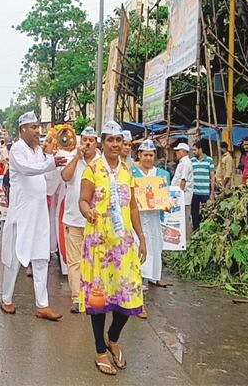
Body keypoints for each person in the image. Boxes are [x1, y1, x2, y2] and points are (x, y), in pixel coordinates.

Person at [78, 121, 147, 376]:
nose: (115, 145)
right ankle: (99, 350)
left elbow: (133, 207)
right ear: (102, 142)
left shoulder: (128, 172)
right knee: (99, 299)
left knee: (128, 297)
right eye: (110, 140)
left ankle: (113, 337)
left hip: (123, 245)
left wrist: (142, 237)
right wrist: (89, 212)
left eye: (119, 140)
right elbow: (83, 201)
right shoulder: (92, 170)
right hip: (99, 243)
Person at [0, 111, 66, 321]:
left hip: (39, 213)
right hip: (22, 213)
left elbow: (47, 176)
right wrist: (50, 163)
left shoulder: (39, 151)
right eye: (33, 127)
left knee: (40, 257)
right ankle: (6, 299)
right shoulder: (17, 150)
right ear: (22, 130)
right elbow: (28, 170)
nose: (38, 131)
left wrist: (56, 165)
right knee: (15, 257)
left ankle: (42, 305)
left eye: (38, 127)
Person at [60, 126, 99, 314]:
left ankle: (93, 296)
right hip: (73, 219)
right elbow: (65, 177)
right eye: (85, 140)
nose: (88, 144)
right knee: (74, 262)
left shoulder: (102, 163)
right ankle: (77, 298)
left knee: (94, 260)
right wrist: (77, 158)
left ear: (97, 143)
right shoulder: (72, 159)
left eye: (91, 140)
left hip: (94, 220)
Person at [132, 139, 171, 306]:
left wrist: (167, 205)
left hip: (154, 216)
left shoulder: (161, 175)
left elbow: (166, 196)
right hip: (138, 217)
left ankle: (154, 276)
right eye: (145, 155)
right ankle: (138, 278)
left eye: (151, 155)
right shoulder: (132, 173)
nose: (148, 158)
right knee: (137, 245)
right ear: (139, 155)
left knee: (155, 244)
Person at [190, 140, 215, 232]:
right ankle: (196, 231)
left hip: (205, 192)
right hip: (195, 192)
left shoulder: (209, 160)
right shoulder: (192, 161)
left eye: (195, 150)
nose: (193, 152)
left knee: (207, 213)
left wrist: (212, 192)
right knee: (194, 213)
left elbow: (212, 177)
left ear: (200, 150)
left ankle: (205, 231)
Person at [171, 142, 194, 237]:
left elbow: (183, 180)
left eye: (178, 151)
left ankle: (187, 240)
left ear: (184, 151)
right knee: (182, 218)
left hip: (183, 197)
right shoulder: (183, 162)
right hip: (181, 196)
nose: (176, 153)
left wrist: (178, 195)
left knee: (184, 219)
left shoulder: (186, 163)